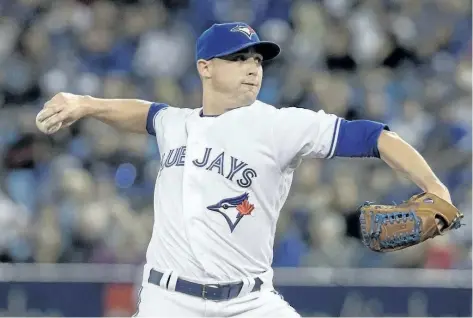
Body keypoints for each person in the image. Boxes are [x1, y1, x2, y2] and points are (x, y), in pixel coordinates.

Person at [36, 22, 454, 317]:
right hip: (169, 302)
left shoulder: (277, 124)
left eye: (257, 58)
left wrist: (434, 185)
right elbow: (144, 113)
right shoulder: (175, 124)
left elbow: (373, 138)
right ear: (205, 67)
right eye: (238, 58)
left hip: (250, 303)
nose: (253, 67)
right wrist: (86, 105)